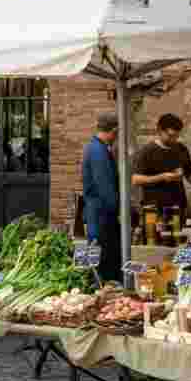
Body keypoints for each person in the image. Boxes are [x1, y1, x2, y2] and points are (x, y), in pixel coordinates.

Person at [131, 113, 191, 216]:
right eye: (170, 136)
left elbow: (190, 172)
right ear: (159, 131)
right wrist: (162, 177)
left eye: (176, 136)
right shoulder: (147, 151)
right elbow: (136, 179)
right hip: (155, 208)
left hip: (178, 206)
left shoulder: (181, 148)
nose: (174, 140)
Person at [81, 113, 122, 282]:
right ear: (113, 130)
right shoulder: (98, 151)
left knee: (101, 255)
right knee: (105, 258)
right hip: (101, 213)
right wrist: (118, 209)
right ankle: (104, 288)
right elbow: (104, 185)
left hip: (97, 211)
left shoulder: (94, 147)